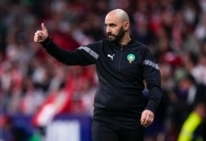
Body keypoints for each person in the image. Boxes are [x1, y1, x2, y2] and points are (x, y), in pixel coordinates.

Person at [34, 8, 162, 141]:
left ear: (126, 25)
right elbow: (69, 57)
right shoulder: (100, 48)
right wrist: (47, 42)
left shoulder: (143, 52)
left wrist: (150, 108)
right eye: (106, 25)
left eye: (112, 25)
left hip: (133, 120)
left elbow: (155, 85)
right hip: (104, 119)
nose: (108, 30)